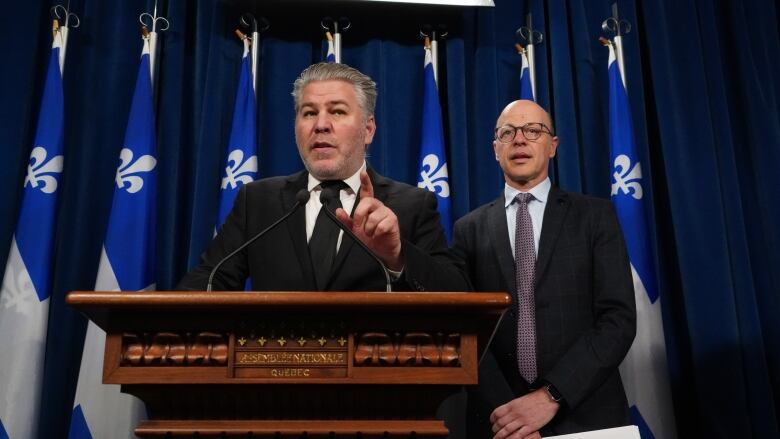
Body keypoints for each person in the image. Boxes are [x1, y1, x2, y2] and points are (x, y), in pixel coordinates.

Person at [177, 62, 469, 293]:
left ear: (368, 130)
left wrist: (397, 256)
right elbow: (207, 284)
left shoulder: (411, 205)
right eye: (308, 113)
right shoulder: (258, 201)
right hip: (278, 364)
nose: (321, 125)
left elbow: (456, 295)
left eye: (337, 112)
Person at [449, 100, 636, 438]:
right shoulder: (468, 229)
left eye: (533, 131)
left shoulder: (595, 217)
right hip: (501, 422)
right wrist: (509, 415)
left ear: (553, 146)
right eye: (508, 133)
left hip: (587, 412)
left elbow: (618, 320)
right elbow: (466, 330)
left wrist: (551, 396)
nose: (519, 140)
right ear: (495, 149)